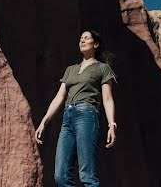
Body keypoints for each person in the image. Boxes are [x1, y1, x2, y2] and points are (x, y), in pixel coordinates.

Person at [35, 30, 118, 187]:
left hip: (87, 115)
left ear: (96, 44)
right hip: (67, 119)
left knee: (87, 175)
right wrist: (43, 122)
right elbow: (59, 97)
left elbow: (107, 99)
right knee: (61, 176)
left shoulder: (102, 68)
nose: (82, 40)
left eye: (86, 38)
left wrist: (112, 124)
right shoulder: (71, 69)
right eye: (80, 38)